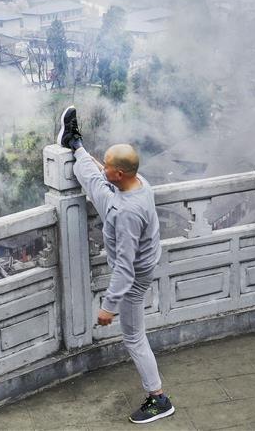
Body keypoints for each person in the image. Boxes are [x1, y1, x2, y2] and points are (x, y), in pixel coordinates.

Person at [57, 106, 174, 424]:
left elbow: (124, 266)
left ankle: (158, 398)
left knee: (134, 337)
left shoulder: (125, 213)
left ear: (120, 174)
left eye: (108, 166)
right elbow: (103, 175)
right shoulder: (140, 183)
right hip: (144, 255)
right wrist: (93, 161)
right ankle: (74, 143)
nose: (104, 167)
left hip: (135, 276)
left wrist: (109, 307)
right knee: (96, 183)